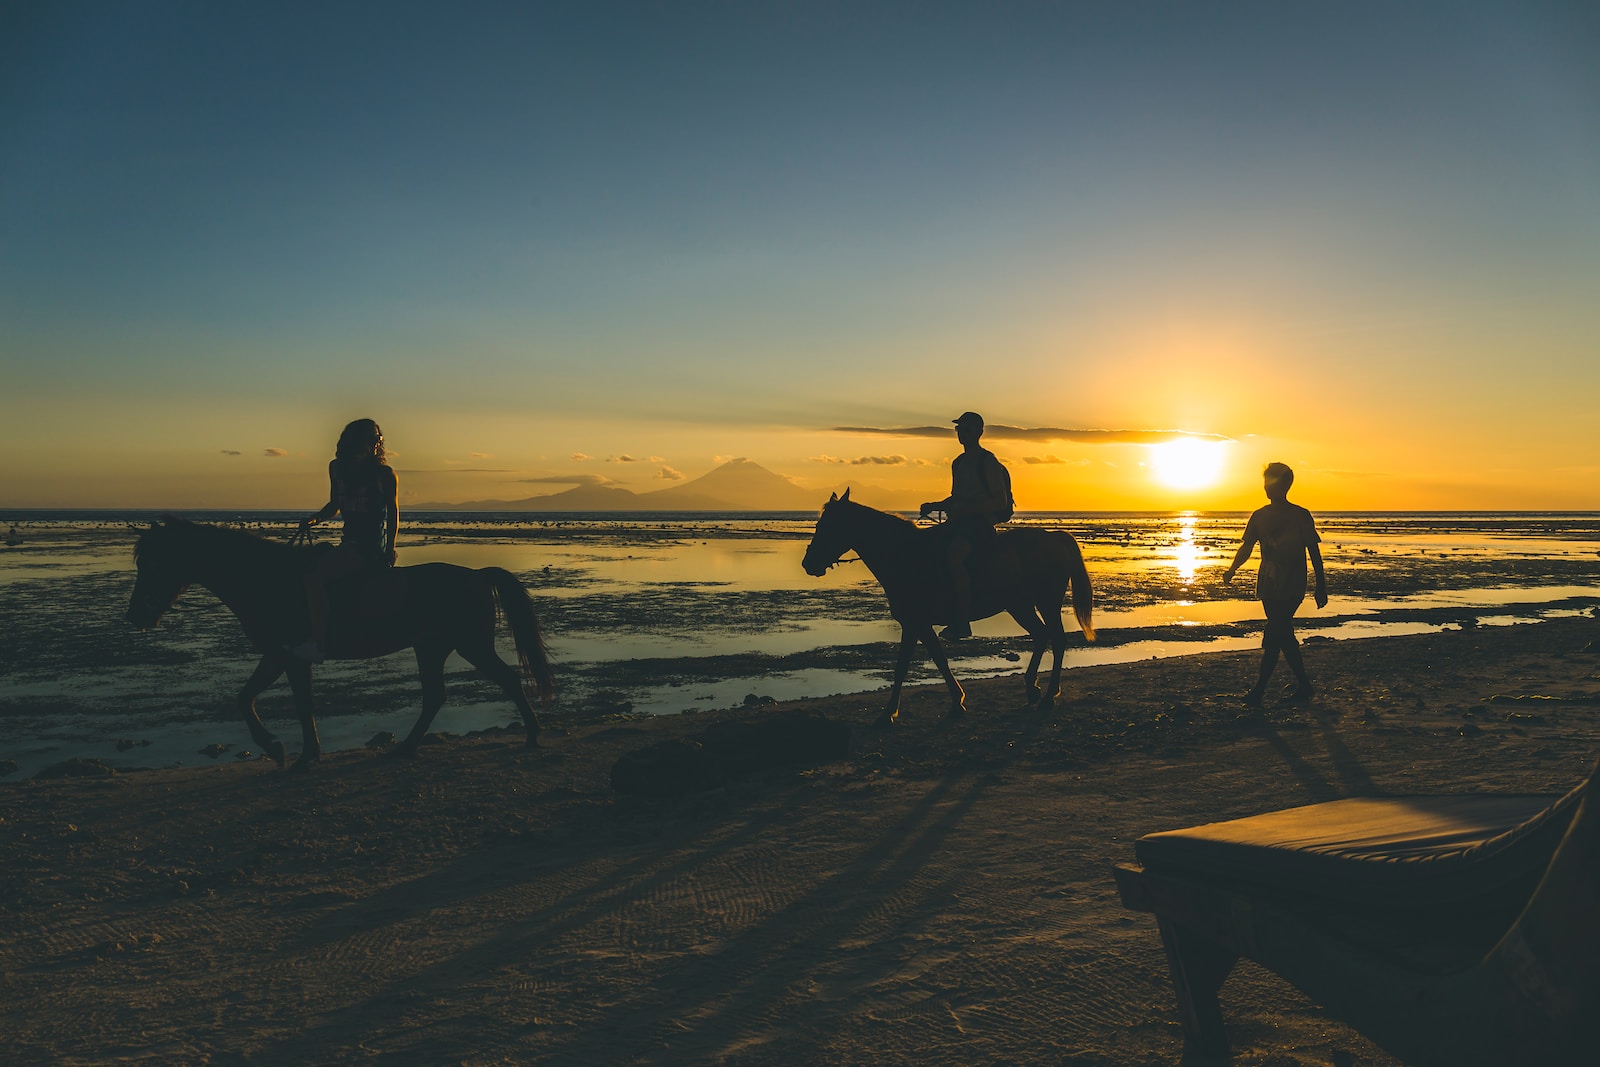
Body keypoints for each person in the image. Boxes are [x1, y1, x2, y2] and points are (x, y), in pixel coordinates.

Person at [288, 419, 399, 663]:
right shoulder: (336, 469)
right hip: (348, 542)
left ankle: (319, 644)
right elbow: (334, 505)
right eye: (366, 442)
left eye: (373, 442)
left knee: (313, 578)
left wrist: (389, 548)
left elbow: (392, 514)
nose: (371, 446)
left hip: (369, 547)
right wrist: (315, 519)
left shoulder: (384, 475)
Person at [1222, 461, 1327, 704]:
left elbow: (1314, 551)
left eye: (1272, 482)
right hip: (1268, 585)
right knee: (1283, 634)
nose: (1267, 487)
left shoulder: (1300, 515)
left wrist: (1321, 585)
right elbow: (1246, 547)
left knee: (1274, 633)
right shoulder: (1259, 516)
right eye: (1265, 482)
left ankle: (1259, 689)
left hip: (1293, 585)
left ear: (1284, 485)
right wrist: (1232, 570)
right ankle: (1304, 685)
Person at [920, 411, 1014, 641]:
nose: (962, 433)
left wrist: (968, 510)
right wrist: (935, 505)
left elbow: (999, 501)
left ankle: (961, 621)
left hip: (979, 525)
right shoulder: (958, 463)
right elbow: (956, 497)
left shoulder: (988, 461)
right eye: (959, 428)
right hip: (959, 523)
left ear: (979, 432)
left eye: (967, 428)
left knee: (954, 556)